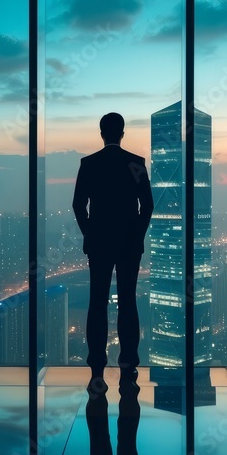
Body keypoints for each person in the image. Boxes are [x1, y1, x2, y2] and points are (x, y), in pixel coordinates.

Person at [72, 112, 153, 392]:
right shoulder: (136, 163)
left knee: (97, 303)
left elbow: (78, 205)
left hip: (100, 243)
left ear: (101, 133)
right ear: (122, 133)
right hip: (129, 244)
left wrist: (89, 234)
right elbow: (148, 206)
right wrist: (137, 236)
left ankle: (96, 371)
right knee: (128, 303)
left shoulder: (89, 164)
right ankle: (128, 371)